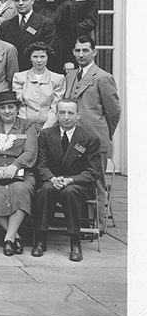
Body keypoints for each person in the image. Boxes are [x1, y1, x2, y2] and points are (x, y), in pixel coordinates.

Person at [30, 98, 101, 262]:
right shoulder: (46, 135)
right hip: (52, 180)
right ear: (56, 114)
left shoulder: (89, 138)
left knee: (69, 192)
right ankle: (41, 238)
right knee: (46, 189)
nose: (66, 117)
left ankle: (75, 242)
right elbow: (40, 165)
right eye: (62, 112)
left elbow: (92, 172)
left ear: (78, 115)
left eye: (70, 113)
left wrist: (70, 180)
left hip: (78, 184)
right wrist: (52, 178)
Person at [65, 36, 121, 223]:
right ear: (73, 52)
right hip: (74, 139)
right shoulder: (71, 76)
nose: (81, 54)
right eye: (77, 50)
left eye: (85, 50)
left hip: (96, 139)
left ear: (94, 52)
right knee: (75, 179)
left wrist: (103, 133)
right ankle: (79, 222)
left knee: (96, 182)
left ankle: (98, 225)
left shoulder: (104, 77)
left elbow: (113, 112)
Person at [0, 90, 38, 256]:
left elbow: (30, 151)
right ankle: (14, 236)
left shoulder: (27, 125)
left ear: (17, 108)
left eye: (11, 107)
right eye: (2, 108)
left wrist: (15, 166)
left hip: (20, 174)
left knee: (20, 191)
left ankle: (8, 238)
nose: (7, 111)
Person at [0, 0, 56, 70]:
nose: (20, 3)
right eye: (17, 0)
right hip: (12, 70)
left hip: (35, 70)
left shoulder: (46, 23)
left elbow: (49, 52)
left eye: (24, 0)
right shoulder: (6, 25)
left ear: (32, 0)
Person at [12, 41, 65, 130]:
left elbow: (56, 106)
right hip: (25, 126)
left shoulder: (58, 79)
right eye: (35, 57)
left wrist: (46, 128)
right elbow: (20, 105)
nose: (39, 60)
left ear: (47, 58)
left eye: (42, 57)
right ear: (30, 58)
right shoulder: (19, 77)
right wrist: (26, 126)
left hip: (50, 126)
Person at [34, 0, 77, 73]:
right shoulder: (37, 4)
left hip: (60, 53)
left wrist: (69, 60)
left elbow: (72, 34)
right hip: (40, 52)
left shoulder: (67, 5)